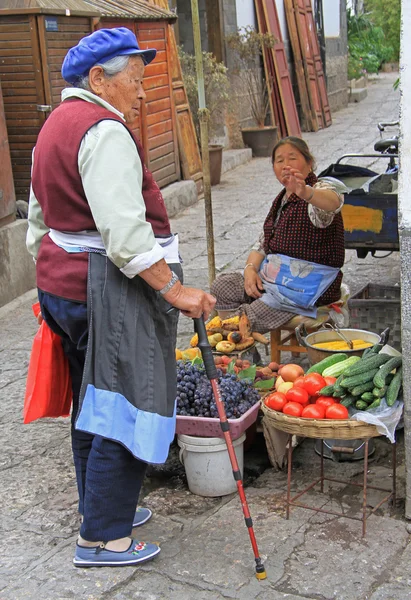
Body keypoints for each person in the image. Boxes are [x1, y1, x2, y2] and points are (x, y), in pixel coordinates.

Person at [26, 27, 215, 568]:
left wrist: (50, 281)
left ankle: (101, 508)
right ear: (97, 79)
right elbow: (125, 237)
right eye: (133, 77)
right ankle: (103, 538)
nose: (141, 88)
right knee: (125, 403)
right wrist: (175, 290)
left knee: (92, 400)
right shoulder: (103, 131)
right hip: (105, 288)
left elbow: (38, 218)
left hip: (65, 283)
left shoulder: (55, 125)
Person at [211, 137, 345, 333]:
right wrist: (250, 270)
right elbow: (262, 244)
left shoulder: (318, 190)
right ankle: (244, 350)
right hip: (274, 280)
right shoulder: (281, 199)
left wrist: (306, 192)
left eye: (292, 158)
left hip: (303, 289)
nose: (286, 165)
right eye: (279, 161)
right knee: (222, 286)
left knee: (245, 319)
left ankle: (237, 343)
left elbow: (333, 203)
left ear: (309, 163)